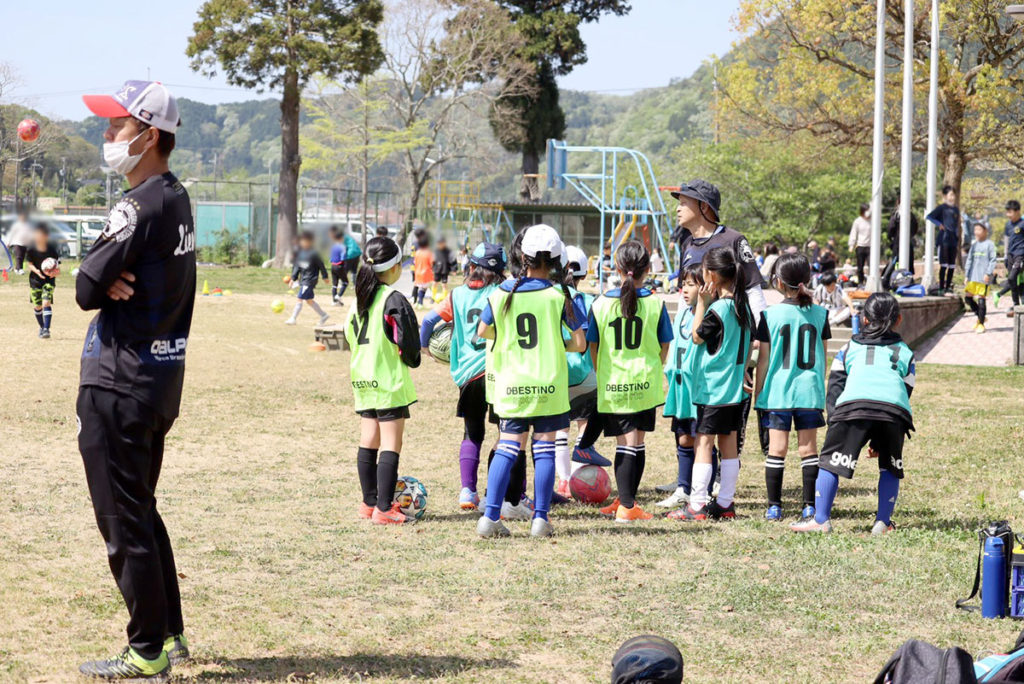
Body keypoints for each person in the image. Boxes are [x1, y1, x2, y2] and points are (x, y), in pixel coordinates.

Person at [76, 80, 194, 679]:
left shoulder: (139, 204)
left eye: (117, 125)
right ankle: (169, 633)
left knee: (124, 521)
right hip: (157, 381)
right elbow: (102, 279)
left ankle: (146, 649)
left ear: (148, 136)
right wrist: (107, 276)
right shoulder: (176, 199)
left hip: (118, 382)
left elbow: (84, 287)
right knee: (141, 510)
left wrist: (101, 276)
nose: (107, 134)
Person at [475, 224, 586, 538]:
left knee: (508, 446)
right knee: (545, 448)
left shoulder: (502, 292)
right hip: (549, 385)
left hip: (512, 385)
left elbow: (482, 331)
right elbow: (579, 342)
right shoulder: (560, 294)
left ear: (522, 257)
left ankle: (490, 518)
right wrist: (556, 343)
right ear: (555, 260)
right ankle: (540, 520)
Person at [662, 179, 766, 495]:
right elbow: (688, 297)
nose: (678, 207)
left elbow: (753, 292)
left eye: (685, 201)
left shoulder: (734, 240)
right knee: (691, 419)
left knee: (721, 426)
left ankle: (719, 484)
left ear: (704, 207)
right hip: (695, 344)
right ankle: (688, 480)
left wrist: (755, 344)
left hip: (727, 347)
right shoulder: (686, 244)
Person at [792, 293, 915, 534]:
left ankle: (821, 520)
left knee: (830, 462)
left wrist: (834, 420)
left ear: (864, 319)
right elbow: (904, 391)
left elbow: (835, 385)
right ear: (899, 319)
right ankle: (883, 522)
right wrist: (880, 439)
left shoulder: (849, 348)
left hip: (852, 408)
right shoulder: (906, 352)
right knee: (890, 466)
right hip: (893, 413)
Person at [588, 240, 673, 523]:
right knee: (635, 443)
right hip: (644, 382)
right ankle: (626, 504)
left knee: (628, 443)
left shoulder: (601, 303)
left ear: (616, 268)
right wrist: (655, 365)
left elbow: (593, 346)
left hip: (614, 383)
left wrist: (601, 372)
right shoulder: (656, 303)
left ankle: (626, 502)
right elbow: (665, 344)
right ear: (648, 269)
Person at [419, 242, 507, 511]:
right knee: (506, 434)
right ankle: (494, 493)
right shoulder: (501, 292)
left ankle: (467, 491)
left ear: (471, 266)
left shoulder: (456, 295)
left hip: (468, 374)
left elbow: (428, 321)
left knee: (471, 432)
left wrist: (425, 348)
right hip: (496, 370)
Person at [669, 247, 753, 522]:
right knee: (729, 443)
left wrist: (703, 303)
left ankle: (696, 504)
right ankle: (725, 503)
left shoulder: (718, 309)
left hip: (713, 388)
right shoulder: (743, 306)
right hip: (734, 390)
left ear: (712, 276)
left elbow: (696, 336)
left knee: (704, 443)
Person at [345, 236, 422, 525]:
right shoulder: (393, 299)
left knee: (368, 439)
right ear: (393, 268)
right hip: (388, 381)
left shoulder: (357, 301)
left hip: (363, 379)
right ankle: (384, 508)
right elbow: (408, 343)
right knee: (391, 442)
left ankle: (368, 503)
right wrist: (410, 358)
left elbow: (350, 337)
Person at [753, 253, 830, 522]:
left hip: (778, 391)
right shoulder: (821, 314)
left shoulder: (769, 315)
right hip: (809, 391)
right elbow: (823, 357)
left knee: (777, 450)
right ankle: (809, 506)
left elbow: (763, 360)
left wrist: (758, 392)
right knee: (809, 450)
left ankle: (774, 506)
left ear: (778, 282)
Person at [554, 245, 611, 499]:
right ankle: (580, 475)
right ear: (585, 274)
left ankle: (564, 481)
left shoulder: (551, 296)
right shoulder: (590, 301)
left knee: (560, 429)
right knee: (584, 424)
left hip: (556, 374)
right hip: (584, 375)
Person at [656, 262, 712, 510]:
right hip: (680, 389)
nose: (685, 290)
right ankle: (683, 489)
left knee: (702, 440)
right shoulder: (681, 314)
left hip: (698, 389)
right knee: (683, 438)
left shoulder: (709, 315)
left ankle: (706, 489)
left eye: (691, 284)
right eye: (683, 285)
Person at [285, 231, 329, 326]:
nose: (302, 242)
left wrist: (325, 276)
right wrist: (293, 278)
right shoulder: (301, 253)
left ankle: (293, 318)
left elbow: (321, 266)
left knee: (299, 298)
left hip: (310, 280)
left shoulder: (314, 254)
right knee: (309, 301)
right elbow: (297, 267)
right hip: (304, 280)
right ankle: (324, 315)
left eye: (305, 241)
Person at [25, 222, 60, 338]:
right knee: (38, 306)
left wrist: (54, 272)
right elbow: (29, 264)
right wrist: (37, 271)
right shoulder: (31, 249)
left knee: (46, 302)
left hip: (49, 281)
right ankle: (42, 327)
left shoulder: (52, 249)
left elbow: (56, 266)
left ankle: (46, 329)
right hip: (35, 281)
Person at [926, 186, 961, 294]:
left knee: (952, 265)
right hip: (944, 240)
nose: (953, 197)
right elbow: (929, 217)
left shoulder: (956, 209)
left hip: (953, 240)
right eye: (950, 195)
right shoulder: (942, 208)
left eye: (954, 195)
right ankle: (941, 288)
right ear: (945, 196)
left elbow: (956, 224)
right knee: (944, 265)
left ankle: (948, 287)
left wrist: (957, 237)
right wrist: (939, 224)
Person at [963, 221, 996, 333]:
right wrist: (966, 275)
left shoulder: (989, 244)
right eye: (975, 230)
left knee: (981, 299)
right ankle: (981, 316)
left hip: (983, 277)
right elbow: (969, 260)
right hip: (972, 276)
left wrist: (988, 273)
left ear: (985, 231)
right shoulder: (974, 245)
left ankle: (981, 324)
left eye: (979, 229)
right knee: (968, 298)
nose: (976, 232)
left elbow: (993, 260)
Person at [995, 199, 1024, 312]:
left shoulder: (1022, 223)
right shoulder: (1008, 225)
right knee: (1015, 280)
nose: (1008, 215)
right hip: (1010, 255)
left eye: (1010, 212)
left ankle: (1016, 304)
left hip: (1020, 255)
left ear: (1017, 211)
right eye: (1007, 212)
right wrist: (1005, 256)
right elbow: (1006, 239)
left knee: (1012, 278)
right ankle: (1016, 304)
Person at [882, 207, 920, 291]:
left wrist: (891, 237)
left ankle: (886, 280)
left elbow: (891, 228)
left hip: (897, 241)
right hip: (907, 241)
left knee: (895, 260)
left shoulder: (897, 214)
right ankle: (907, 280)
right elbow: (915, 228)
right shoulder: (910, 215)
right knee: (906, 261)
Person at [849, 203, 872, 287]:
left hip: (870, 247)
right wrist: (851, 245)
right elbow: (853, 233)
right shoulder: (858, 221)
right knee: (860, 266)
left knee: (871, 265)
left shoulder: (872, 221)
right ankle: (860, 283)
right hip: (860, 246)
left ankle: (870, 281)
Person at [411, 232, 434, 308]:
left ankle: (417, 301)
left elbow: (414, 262)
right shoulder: (428, 253)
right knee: (424, 288)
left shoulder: (417, 252)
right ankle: (420, 302)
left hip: (418, 273)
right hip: (426, 273)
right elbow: (432, 263)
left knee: (420, 287)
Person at [431, 235, 456, 302]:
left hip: (445, 270)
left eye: (441, 243)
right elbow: (432, 261)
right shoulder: (435, 251)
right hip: (437, 270)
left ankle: (444, 298)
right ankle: (433, 297)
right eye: (439, 243)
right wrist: (432, 267)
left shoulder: (448, 251)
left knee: (444, 285)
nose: (440, 245)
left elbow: (452, 261)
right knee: (435, 283)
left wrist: (453, 269)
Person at [8, 210, 33, 274]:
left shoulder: (28, 224)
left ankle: (17, 268)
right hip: (17, 242)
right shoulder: (16, 225)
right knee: (18, 256)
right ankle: (20, 269)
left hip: (25, 243)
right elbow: (11, 234)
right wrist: (8, 242)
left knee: (22, 256)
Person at [328, 226, 348, 305]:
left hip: (333, 266)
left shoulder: (332, 247)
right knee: (345, 282)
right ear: (341, 238)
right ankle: (338, 296)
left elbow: (330, 258)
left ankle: (334, 301)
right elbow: (343, 258)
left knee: (334, 284)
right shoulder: (343, 247)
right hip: (340, 266)